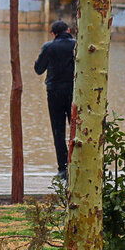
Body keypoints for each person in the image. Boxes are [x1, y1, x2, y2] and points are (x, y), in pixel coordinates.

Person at [34, 20, 76, 180]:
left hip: (55, 92)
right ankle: (77, 164)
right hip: (74, 93)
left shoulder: (49, 47)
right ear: (68, 30)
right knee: (76, 128)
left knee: (58, 131)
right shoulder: (76, 45)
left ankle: (63, 168)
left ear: (53, 34)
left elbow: (39, 70)